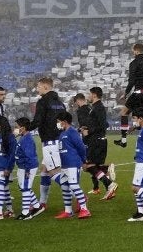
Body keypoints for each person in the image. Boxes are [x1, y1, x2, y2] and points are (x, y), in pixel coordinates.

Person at [30, 77, 66, 216]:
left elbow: (38, 121)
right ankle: (42, 203)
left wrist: (25, 128)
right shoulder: (60, 103)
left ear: (45, 87)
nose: (37, 89)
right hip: (59, 140)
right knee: (44, 170)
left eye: (38, 86)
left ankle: (79, 196)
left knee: (53, 172)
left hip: (50, 142)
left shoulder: (42, 102)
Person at [53, 112, 91, 219]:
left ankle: (85, 209)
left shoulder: (72, 132)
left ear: (64, 122)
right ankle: (68, 211)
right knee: (64, 187)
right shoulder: (62, 133)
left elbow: (81, 147)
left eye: (58, 122)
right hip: (65, 165)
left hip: (73, 164)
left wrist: (83, 162)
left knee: (73, 185)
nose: (57, 124)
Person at [82, 87, 115, 199]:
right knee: (93, 166)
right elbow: (101, 123)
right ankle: (106, 170)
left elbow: (103, 124)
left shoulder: (99, 107)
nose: (88, 96)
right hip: (97, 140)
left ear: (94, 95)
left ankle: (110, 184)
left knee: (88, 166)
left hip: (97, 141)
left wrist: (89, 131)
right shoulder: (96, 107)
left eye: (89, 94)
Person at [13, 117, 41, 220]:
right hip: (23, 166)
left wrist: (28, 170)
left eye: (16, 127)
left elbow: (29, 156)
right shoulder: (24, 137)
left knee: (25, 188)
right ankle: (37, 207)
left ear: (23, 128)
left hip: (27, 167)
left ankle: (26, 213)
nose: (15, 129)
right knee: (23, 187)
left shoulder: (27, 139)